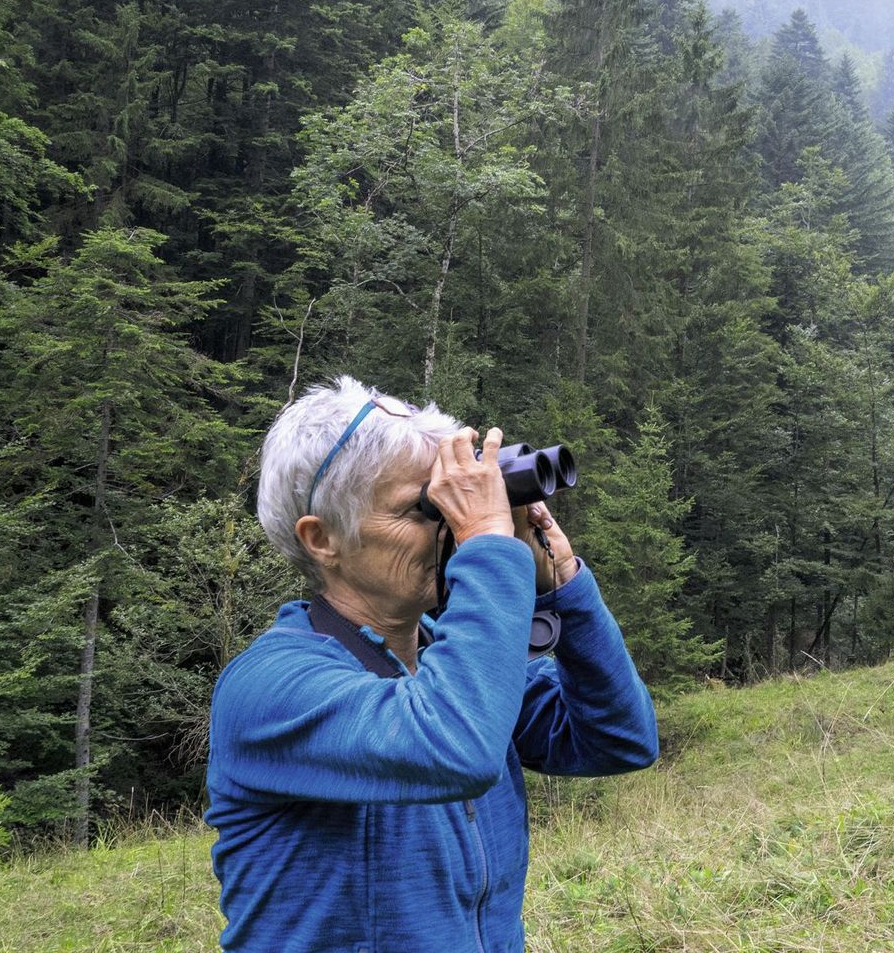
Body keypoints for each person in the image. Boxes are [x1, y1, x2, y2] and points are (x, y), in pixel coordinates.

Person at [205, 375, 659, 952]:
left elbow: (620, 740)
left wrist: (560, 585)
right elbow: (455, 747)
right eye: (424, 509)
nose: (449, 527)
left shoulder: (447, 658)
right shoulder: (270, 687)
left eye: (453, 505)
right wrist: (488, 541)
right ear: (323, 539)